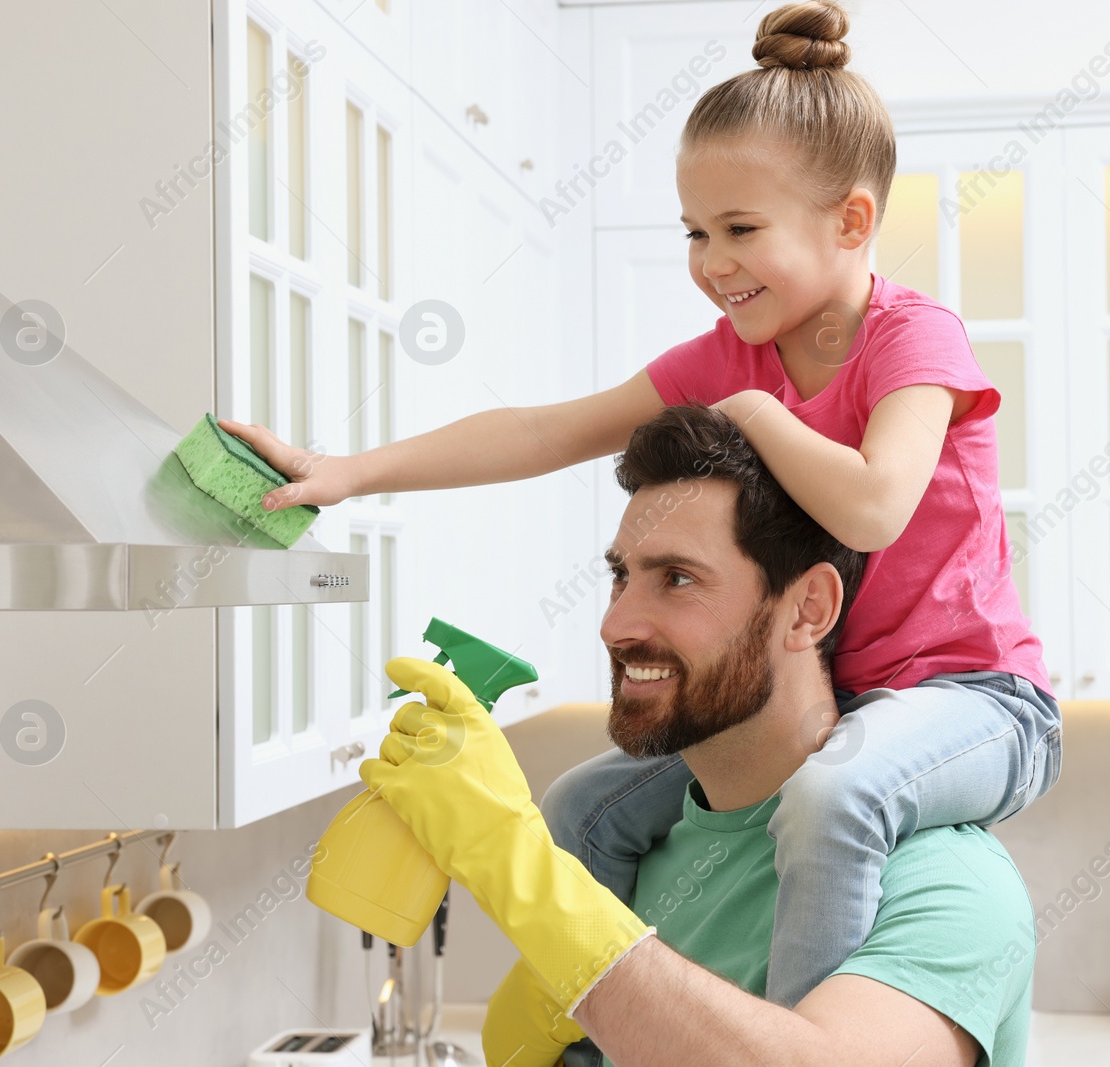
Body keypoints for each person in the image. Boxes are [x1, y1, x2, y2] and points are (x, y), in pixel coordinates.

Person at [221, 0, 1060, 1020]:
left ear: (851, 220)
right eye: (696, 232)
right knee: (581, 806)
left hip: (975, 702)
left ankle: (781, 1040)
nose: (711, 262)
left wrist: (753, 410)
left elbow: (879, 505)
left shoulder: (909, 339)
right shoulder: (728, 349)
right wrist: (348, 469)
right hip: (843, 701)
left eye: (740, 230)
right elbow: (543, 430)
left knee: (839, 795)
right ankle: (575, 1038)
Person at [360, 403, 1037, 1067]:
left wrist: (503, 851)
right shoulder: (623, 850)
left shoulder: (946, 888)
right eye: (621, 575)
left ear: (808, 610)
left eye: (677, 578)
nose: (616, 623)